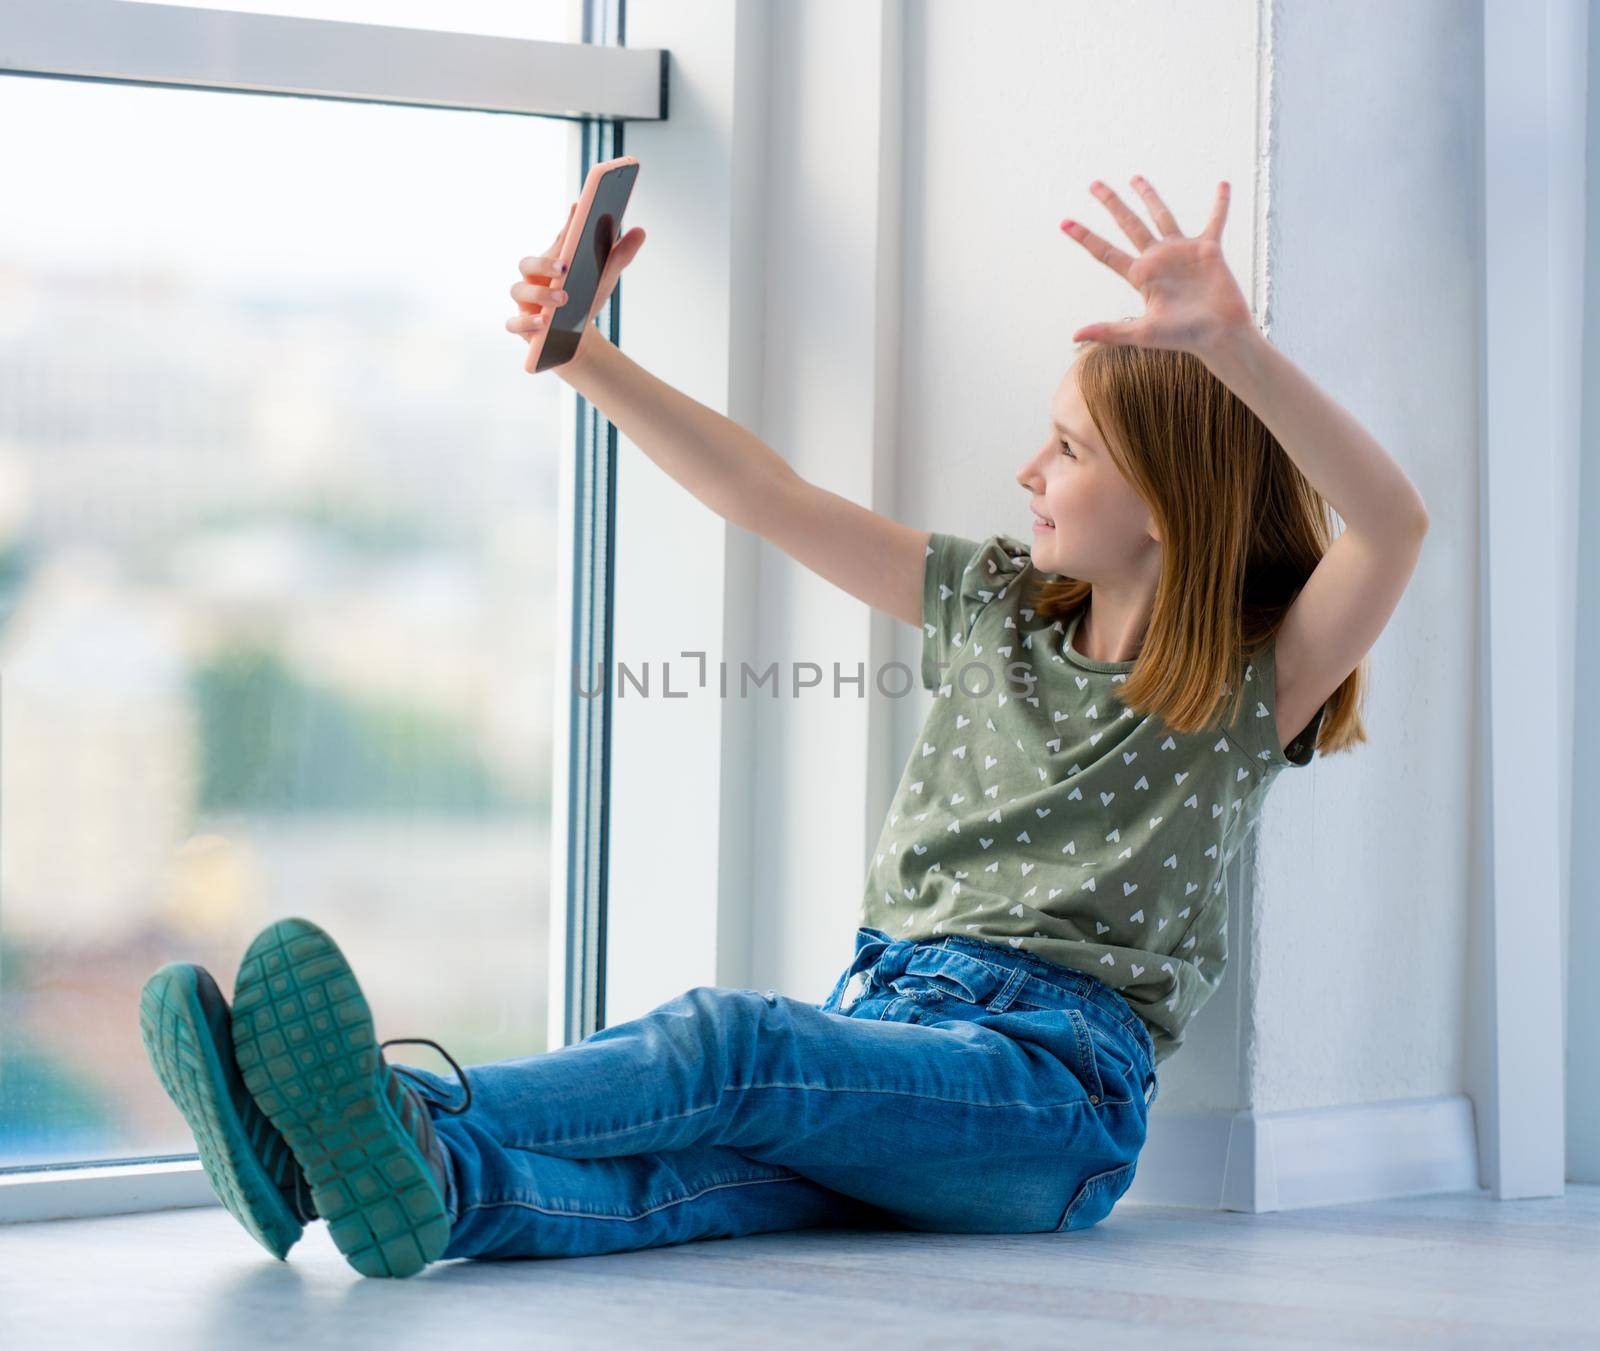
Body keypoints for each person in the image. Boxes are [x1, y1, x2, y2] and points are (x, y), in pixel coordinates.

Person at [139, 174, 1428, 1279]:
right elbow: (766, 496)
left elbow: (1392, 526)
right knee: (685, 1182)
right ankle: (385, 1182)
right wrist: (583, 351)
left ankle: (383, 1106)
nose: (1030, 472)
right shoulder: (994, 605)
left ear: (1163, 497)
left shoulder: (1251, 684)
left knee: (728, 1047)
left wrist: (1232, 354)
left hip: (1049, 1101)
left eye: (1067, 450)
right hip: (889, 1024)